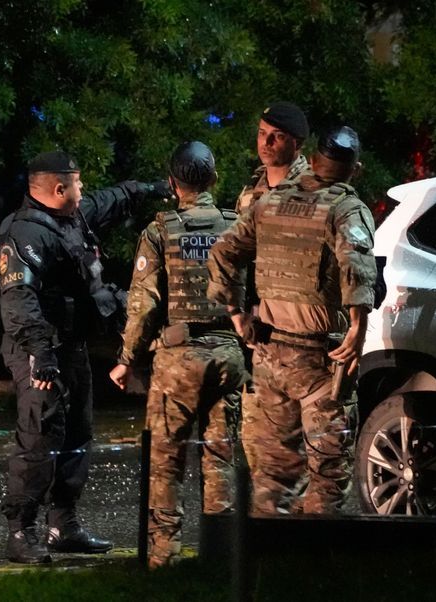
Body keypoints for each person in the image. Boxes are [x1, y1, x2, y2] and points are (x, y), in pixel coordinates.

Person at [0, 150, 171, 563]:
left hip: (70, 346)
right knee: (39, 437)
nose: (83, 188)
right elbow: (18, 300)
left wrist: (151, 189)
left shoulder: (70, 217)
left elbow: (110, 200)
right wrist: (40, 353)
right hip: (37, 350)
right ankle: (20, 532)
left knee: (77, 434)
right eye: (77, 182)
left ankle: (64, 525)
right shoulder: (24, 234)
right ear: (59, 188)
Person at [207, 127, 377, 515]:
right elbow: (357, 263)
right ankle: (310, 567)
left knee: (272, 477)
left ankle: (268, 568)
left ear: (314, 160)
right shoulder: (346, 208)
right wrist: (358, 325)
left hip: (269, 356)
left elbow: (223, 252)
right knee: (327, 476)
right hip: (321, 360)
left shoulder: (271, 202)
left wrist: (236, 314)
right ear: (355, 170)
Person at [109, 141, 246, 568]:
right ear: (214, 179)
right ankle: (220, 558)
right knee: (221, 456)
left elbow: (143, 304)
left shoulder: (160, 231)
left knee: (165, 461)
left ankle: (163, 560)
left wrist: (126, 358)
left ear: (173, 184)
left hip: (179, 360)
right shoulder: (236, 225)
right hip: (229, 353)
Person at [235, 101, 311, 213]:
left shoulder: (312, 188)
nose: (266, 142)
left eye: (278, 136)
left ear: (297, 143)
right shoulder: (253, 183)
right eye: (262, 133)